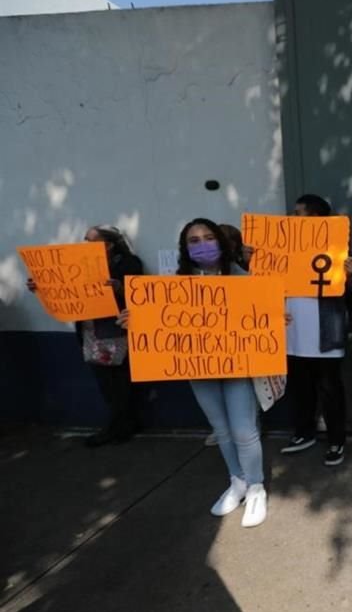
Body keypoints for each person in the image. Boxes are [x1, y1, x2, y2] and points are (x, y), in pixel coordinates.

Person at [119, 218, 268, 527]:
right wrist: (136, 321)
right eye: (194, 240)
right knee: (221, 429)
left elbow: (262, 315)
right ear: (185, 249)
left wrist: (276, 320)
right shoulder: (174, 285)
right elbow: (159, 320)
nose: (202, 244)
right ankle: (237, 480)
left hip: (238, 366)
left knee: (243, 429)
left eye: (208, 237)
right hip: (199, 368)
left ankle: (256, 487)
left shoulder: (246, 278)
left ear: (221, 242)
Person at [27, 225, 144, 447]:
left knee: (118, 382)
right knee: (105, 382)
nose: (86, 245)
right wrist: (41, 286)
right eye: (85, 240)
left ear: (108, 245)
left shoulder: (128, 263)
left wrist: (119, 288)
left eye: (92, 241)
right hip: (90, 331)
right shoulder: (78, 265)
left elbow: (138, 293)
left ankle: (118, 427)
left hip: (115, 331)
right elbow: (63, 285)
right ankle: (124, 424)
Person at [279, 194, 352, 465]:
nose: (293, 218)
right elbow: (264, 278)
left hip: (326, 331)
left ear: (315, 218)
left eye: (299, 213)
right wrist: (252, 259)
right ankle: (304, 432)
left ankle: (336, 440)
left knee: (330, 389)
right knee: (300, 388)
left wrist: (350, 274)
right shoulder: (284, 247)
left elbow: (348, 292)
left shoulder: (338, 250)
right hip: (293, 330)